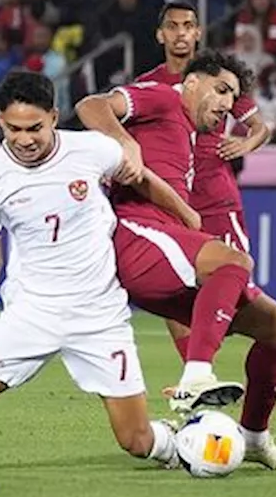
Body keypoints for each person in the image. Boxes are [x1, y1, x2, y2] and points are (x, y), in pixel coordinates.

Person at [0, 70, 191, 472]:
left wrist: (189, 218)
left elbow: (143, 180)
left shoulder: (92, 150)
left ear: (55, 116)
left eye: (35, 128)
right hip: (31, 312)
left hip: (99, 315)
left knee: (137, 442)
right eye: (14, 129)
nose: (25, 139)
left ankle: (186, 444)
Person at [129, 3, 276, 471]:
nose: (182, 34)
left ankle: (242, 431)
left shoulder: (219, 82)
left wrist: (244, 144)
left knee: (240, 298)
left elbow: (259, 125)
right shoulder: (153, 89)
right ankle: (202, 417)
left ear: (198, 32)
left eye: (189, 26)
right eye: (173, 26)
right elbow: (101, 109)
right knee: (186, 314)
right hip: (166, 210)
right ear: (161, 34)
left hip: (217, 203)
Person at [75, 49, 254, 413]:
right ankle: (197, 376)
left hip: (161, 232)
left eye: (233, 98)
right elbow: (91, 106)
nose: (226, 105)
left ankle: (235, 424)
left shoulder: (187, 132)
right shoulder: (162, 96)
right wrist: (125, 143)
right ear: (191, 82)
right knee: (232, 263)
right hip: (136, 226)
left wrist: (184, 212)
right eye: (221, 90)